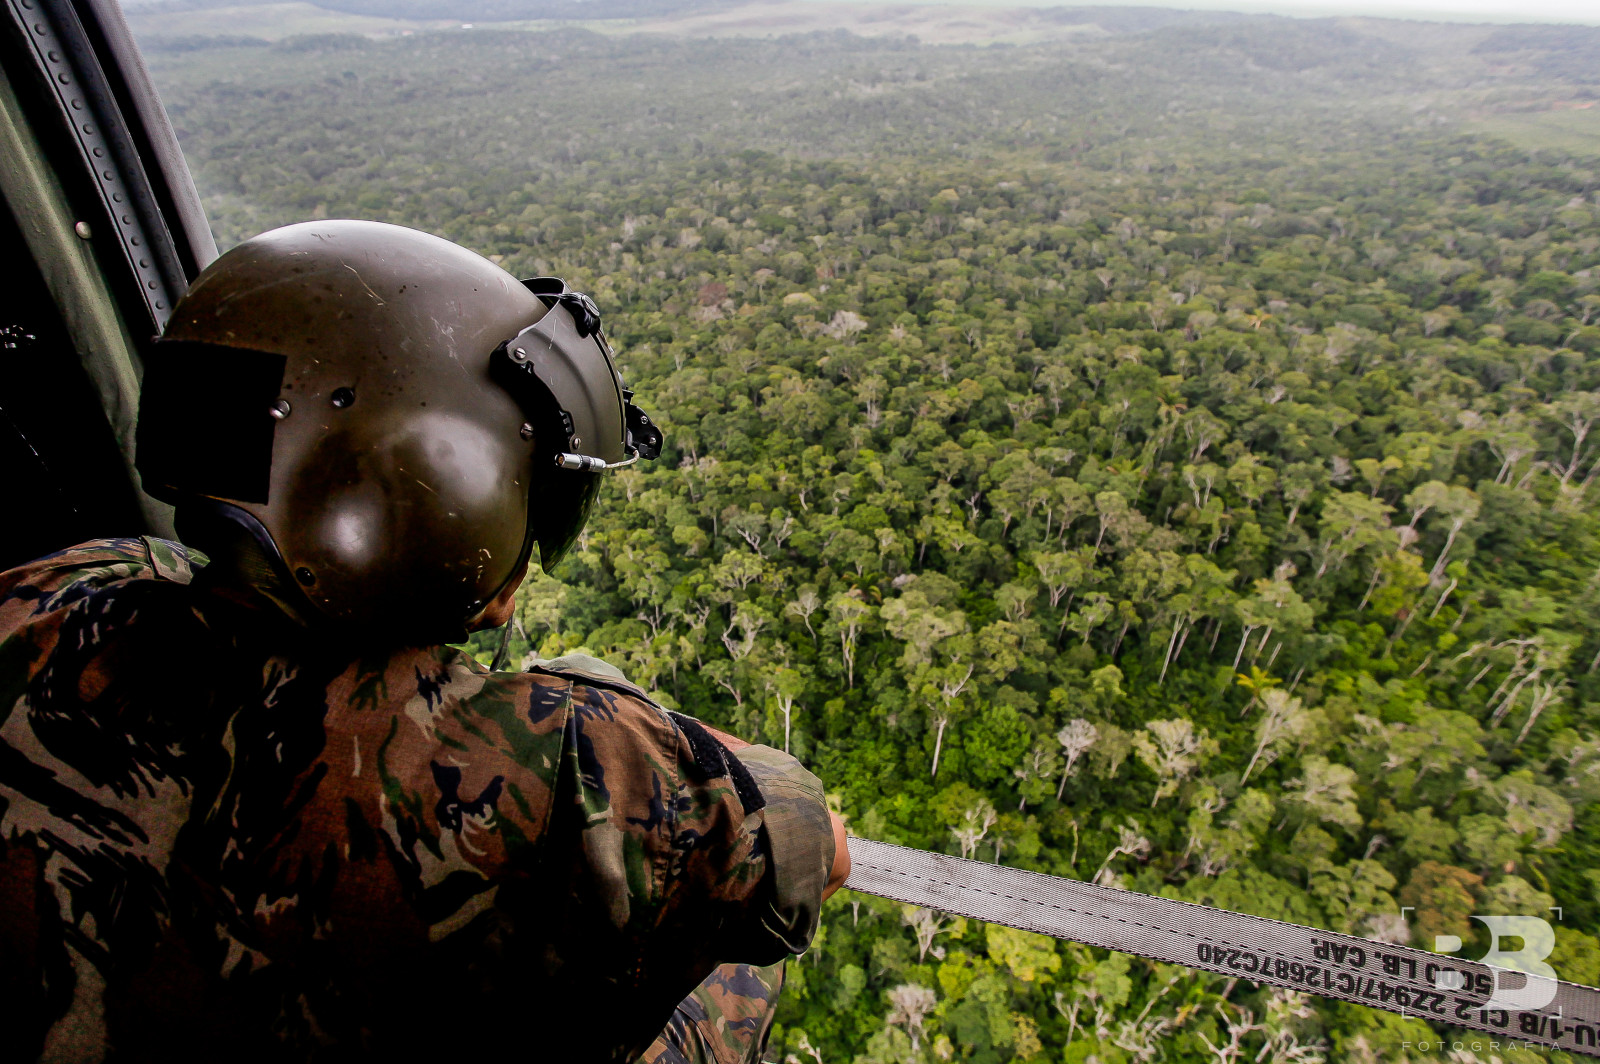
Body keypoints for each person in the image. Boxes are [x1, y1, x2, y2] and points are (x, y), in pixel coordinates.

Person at [0, 220, 849, 1063]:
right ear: (449, 495)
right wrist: (601, 701)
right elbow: (805, 845)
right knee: (725, 983)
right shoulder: (574, 768)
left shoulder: (45, 598)